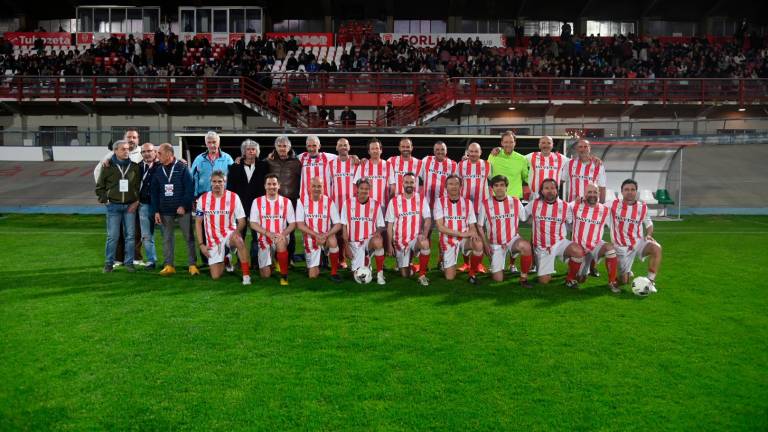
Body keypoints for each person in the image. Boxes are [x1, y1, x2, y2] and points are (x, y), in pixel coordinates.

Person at [94, 128, 143, 266]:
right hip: (115, 202)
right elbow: (98, 175)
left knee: (135, 232)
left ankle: (135, 258)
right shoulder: (109, 157)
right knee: (116, 234)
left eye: (134, 137)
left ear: (138, 139)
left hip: (132, 201)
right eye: (129, 137)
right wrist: (107, 196)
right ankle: (117, 259)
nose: (131, 140)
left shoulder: (142, 153)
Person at [194, 170, 252, 284]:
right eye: (214, 181)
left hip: (229, 234)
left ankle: (246, 276)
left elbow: (242, 221)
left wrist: (236, 232)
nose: (217, 184)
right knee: (216, 276)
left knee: (239, 240)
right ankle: (226, 258)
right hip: (213, 239)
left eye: (220, 181)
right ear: (210, 182)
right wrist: (201, 245)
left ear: (225, 182)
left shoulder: (234, 197)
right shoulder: (203, 199)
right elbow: (198, 222)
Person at [525, 178, 585, 288]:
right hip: (542, 247)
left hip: (559, 243)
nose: (550, 191)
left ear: (557, 190)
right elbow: (522, 216)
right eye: (546, 188)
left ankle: (570, 278)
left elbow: (571, 222)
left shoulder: (565, 206)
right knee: (544, 281)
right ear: (542, 191)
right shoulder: (534, 204)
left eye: (552, 188)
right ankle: (546, 267)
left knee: (578, 251)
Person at [476, 175, 533, 288]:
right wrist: (486, 245)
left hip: (512, 240)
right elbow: (480, 226)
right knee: (498, 279)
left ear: (506, 187)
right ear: (492, 188)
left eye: (502, 185)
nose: (499, 188)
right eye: (496, 185)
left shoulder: (515, 201)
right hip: (495, 243)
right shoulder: (485, 204)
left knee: (526, 246)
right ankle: (497, 268)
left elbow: (524, 218)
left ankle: (523, 278)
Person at [150, 143, 198, 276]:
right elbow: (154, 192)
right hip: (165, 210)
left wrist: (183, 205)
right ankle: (169, 265)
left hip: (182, 210)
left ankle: (192, 265)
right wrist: (156, 211)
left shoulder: (182, 168)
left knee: (188, 237)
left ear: (169, 154)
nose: (157, 155)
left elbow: (189, 188)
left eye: (160, 153)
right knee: (167, 238)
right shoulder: (157, 170)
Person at [609, 179, 662, 292]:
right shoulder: (613, 204)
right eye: (626, 189)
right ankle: (624, 273)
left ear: (636, 192)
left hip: (637, 243)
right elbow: (595, 205)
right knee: (623, 281)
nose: (630, 192)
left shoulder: (642, 207)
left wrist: (649, 234)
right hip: (621, 247)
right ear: (622, 192)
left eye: (632, 189)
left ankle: (650, 281)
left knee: (656, 248)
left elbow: (648, 222)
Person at [434, 174, 485, 284]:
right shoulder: (439, 202)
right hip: (448, 240)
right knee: (450, 277)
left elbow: (472, 225)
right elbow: (440, 227)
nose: (454, 186)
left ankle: (472, 274)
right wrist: (462, 234)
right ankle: (444, 260)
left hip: (464, 240)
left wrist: (474, 233)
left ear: (461, 186)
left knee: (478, 244)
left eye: (456, 184)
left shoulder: (467, 203)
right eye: (451, 184)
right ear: (446, 187)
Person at [570, 183, 620, 293]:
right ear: (584, 194)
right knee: (581, 279)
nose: (592, 194)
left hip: (595, 246)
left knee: (610, 249)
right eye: (589, 192)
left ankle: (612, 281)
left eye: (595, 192)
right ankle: (571, 278)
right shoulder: (575, 206)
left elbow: (616, 225)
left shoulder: (605, 210)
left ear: (599, 193)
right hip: (579, 248)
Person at [385, 173, 432, 286]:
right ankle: (411, 265)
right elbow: (390, 225)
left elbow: (428, 219)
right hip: (400, 242)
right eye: (406, 182)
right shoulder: (394, 201)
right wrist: (389, 244)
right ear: (402, 184)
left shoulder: (421, 199)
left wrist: (424, 234)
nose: (409, 184)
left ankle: (422, 275)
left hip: (415, 239)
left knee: (425, 243)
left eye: (412, 182)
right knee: (405, 274)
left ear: (415, 184)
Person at [249, 174, 295, 286]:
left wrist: (283, 234)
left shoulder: (286, 202)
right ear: (265, 186)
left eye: (274, 184)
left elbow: (293, 224)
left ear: (279, 185)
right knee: (265, 275)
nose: (271, 186)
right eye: (269, 184)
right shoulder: (257, 202)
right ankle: (274, 261)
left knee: (280, 242)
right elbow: (253, 223)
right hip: (264, 238)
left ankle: (284, 276)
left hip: (280, 236)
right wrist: (267, 233)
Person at [226, 139, 266, 266]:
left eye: (253, 149)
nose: (251, 152)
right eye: (248, 149)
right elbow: (230, 189)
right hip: (240, 207)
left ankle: (256, 261)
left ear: (257, 152)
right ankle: (240, 261)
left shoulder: (264, 166)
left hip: (258, 207)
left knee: (257, 236)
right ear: (244, 151)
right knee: (239, 235)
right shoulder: (234, 167)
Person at [296, 177, 342, 282]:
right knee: (313, 275)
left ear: (323, 188)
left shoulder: (329, 201)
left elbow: (338, 224)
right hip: (310, 239)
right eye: (314, 186)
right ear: (309, 187)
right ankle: (320, 258)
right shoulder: (301, 201)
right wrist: (316, 235)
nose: (316, 189)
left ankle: (334, 272)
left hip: (325, 237)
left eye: (319, 186)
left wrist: (325, 235)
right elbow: (300, 225)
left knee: (333, 240)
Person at [341, 178, 386, 285]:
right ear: (357, 189)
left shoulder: (376, 204)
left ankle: (380, 274)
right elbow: (344, 226)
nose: (364, 191)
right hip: (353, 243)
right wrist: (346, 247)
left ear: (370, 190)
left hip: (368, 241)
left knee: (378, 241)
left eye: (366, 189)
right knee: (357, 277)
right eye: (362, 188)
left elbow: (380, 225)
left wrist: (377, 234)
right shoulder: (347, 203)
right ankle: (366, 262)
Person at [266, 136, 302, 262]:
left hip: (291, 201)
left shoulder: (297, 162)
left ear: (289, 147)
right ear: (275, 147)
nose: (282, 148)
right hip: (273, 201)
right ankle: (272, 258)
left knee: (289, 230)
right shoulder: (269, 161)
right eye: (279, 146)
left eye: (284, 146)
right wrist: (240, 158)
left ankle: (289, 257)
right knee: (273, 228)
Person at [457, 142, 490, 272]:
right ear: (467, 152)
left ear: (480, 152)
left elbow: (494, 181)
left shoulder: (487, 165)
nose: (473, 154)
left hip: (481, 207)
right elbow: (456, 182)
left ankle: (479, 264)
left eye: (476, 151)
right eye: (471, 151)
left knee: (481, 235)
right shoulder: (461, 165)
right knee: (466, 235)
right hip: (465, 207)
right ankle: (466, 263)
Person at [326, 138, 358, 268]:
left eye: (345, 145)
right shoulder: (331, 164)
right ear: (336, 148)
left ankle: (356, 260)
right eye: (340, 145)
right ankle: (341, 259)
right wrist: (329, 204)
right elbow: (328, 184)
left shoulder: (356, 162)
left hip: (353, 205)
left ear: (349, 147)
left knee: (354, 232)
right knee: (338, 233)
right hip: (336, 205)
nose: (343, 147)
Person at [190, 131, 234, 198]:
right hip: (203, 196)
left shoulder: (227, 159)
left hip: (223, 196)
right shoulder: (199, 159)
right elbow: (192, 179)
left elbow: (234, 179)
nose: (212, 145)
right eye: (209, 142)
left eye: (214, 142)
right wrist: (194, 196)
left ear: (218, 143)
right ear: (206, 144)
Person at [561, 138, 606, 203]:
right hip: (574, 204)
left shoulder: (598, 165)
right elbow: (561, 180)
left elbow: (602, 188)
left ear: (589, 148)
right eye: (580, 147)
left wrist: (602, 205)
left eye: (585, 147)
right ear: (577, 149)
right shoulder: (569, 164)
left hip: (591, 204)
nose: (583, 149)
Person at [487, 131, 529, 199]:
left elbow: (527, 177)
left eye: (511, 142)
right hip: (496, 198)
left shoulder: (522, 159)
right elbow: (487, 174)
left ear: (515, 143)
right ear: (502, 143)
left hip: (515, 199)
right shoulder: (493, 156)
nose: (509, 144)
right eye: (506, 142)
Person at [137, 143, 159, 270]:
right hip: (144, 205)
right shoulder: (137, 167)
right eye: (144, 152)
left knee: (166, 235)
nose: (147, 154)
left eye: (149, 151)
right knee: (146, 235)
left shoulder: (162, 166)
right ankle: (151, 260)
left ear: (155, 152)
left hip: (160, 207)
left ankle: (168, 262)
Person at [354, 138, 391, 208]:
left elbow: (392, 188)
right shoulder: (362, 165)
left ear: (381, 150)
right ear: (369, 151)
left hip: (383, 206)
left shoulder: (388, 165)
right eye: (372, 149)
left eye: (377, 148)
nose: (375, 151)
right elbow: (355, 186)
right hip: (365, 206)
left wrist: (390, 205)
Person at [297, 135, 335, 202]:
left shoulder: (327, 157)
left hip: (324, 200)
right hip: (305, 200)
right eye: (309, 146)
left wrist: (353, 156)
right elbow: (288, 157)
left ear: (319, 146)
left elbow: (343, 157)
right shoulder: (301, 157)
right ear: (306, 147)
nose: (311, 149)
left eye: (314, 145)